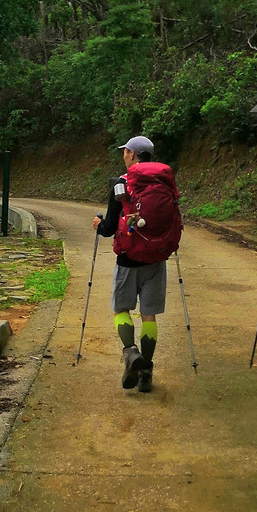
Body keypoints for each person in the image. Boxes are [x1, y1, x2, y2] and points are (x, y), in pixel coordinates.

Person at [93, 135, 181, 393]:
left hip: (128, 259)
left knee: (121, 309)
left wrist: (99, 225)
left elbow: (109, 228)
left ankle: (131, 353)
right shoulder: (165, 183)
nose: (123, 155)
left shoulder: (122, 185)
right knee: (148, 314)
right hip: (157, 257)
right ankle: (146, 372)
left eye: (125, 151)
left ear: (132, 154)